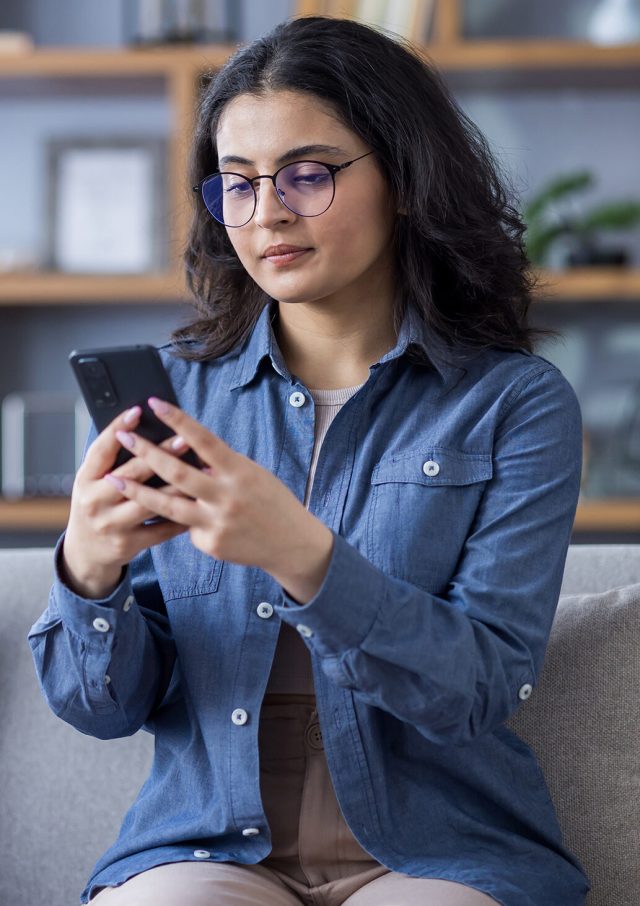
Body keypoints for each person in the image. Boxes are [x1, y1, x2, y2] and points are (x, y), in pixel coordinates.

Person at [29, 14, 590, 906]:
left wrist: (301, 554)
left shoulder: (514, 404)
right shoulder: (175, 400)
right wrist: (88, 572)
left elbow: (476, 690)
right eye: (239, 184)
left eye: (307, 174)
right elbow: (103, 709)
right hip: (209, 845)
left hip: (438, 846)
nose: (269, 213)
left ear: (404, 177)